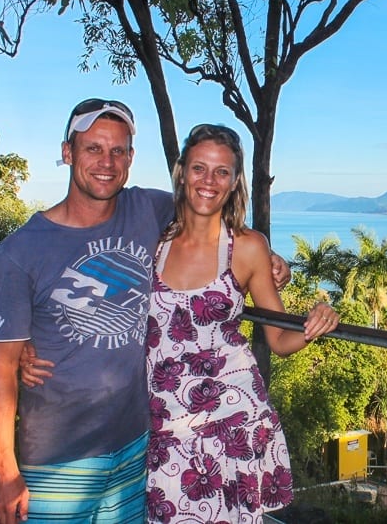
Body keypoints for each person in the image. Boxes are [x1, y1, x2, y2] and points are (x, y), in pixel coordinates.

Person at [0, 98, 290, 524]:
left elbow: (210, 213)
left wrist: (273, 261)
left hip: (137, 447)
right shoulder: (20, 252)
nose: (106, 162)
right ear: (67, 152)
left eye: (118, 150)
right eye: (93, 148)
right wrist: (3, 470)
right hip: (58, 457)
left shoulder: (147, 209)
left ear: (130, 158)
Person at [143, 124, 338, 523]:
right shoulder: (152, 240)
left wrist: (317, 319)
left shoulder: (247, 247)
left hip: (232, 424)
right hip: (165, 425)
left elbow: (280, 338)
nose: (208, 181)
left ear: (234, 182)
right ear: (182, 172)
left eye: (221, 172)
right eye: (199, 168)